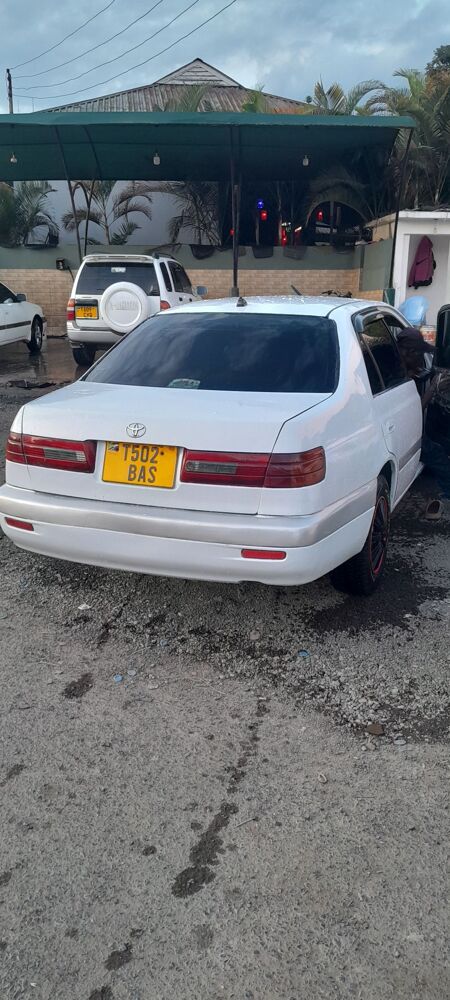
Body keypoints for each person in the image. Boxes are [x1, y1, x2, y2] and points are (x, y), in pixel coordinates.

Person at [396, 327, 450, 519]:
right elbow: (414, 412)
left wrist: (416, 373)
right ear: (409, 352)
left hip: (398, 427)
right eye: (419, 354)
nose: (421, 359)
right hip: (400, 431)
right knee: (438, 456)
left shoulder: (397, 364)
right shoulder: (397, 375)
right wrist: (433, 388)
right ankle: (447, 496)